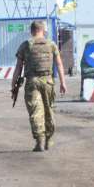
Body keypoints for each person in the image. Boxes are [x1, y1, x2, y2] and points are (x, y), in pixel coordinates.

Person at [11, 21, 67, 152]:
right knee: (49, 110)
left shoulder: (25, 45)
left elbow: (18, 67)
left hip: (32, 81)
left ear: (31, 31)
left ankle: (40, 140)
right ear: (43, 30)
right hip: (48, 81)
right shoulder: (51, 44)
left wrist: (13, 85)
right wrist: (63, 82)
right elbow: (59, 64)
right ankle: (48, 139)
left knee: (36, 111)